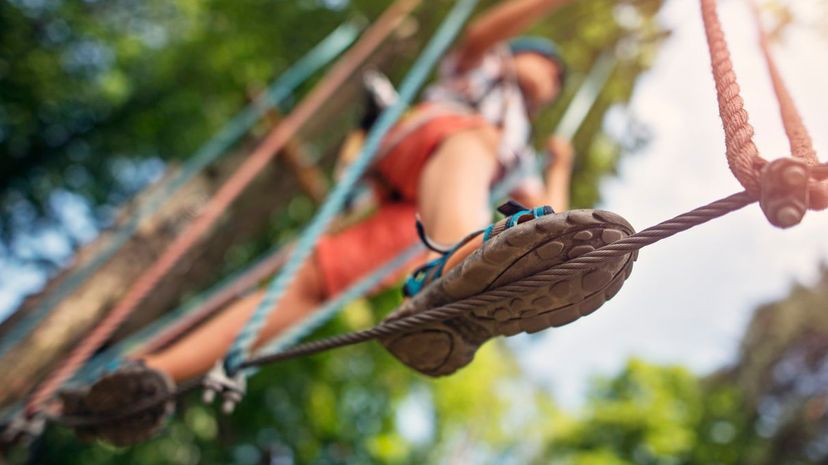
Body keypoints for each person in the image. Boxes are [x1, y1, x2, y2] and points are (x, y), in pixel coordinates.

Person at [66, 0, 637, 445]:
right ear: (522, 53)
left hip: (418, 217)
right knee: (474, 142)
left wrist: (559, 166)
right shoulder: (485, 68)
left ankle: (145, 380)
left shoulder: (521, 142)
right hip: (414, 145)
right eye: (550, 65)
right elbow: (484, 32)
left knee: (314, 286)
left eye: (561, 81)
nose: (555, 79)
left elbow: (556, 220)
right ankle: (466, 261)